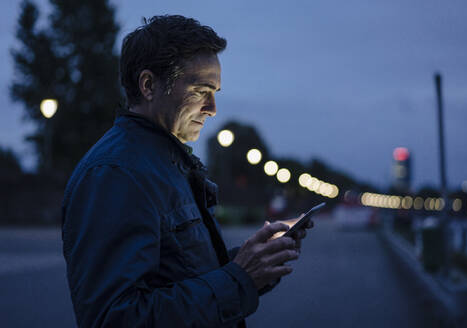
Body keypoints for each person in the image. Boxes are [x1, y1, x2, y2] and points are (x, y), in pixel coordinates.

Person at [61, 15, 313, 328]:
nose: (212, 108)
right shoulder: (115, 174)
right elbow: (115, 318)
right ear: (149, 85)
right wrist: (238, 278)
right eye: (200, 90)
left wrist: (254, 263)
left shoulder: (163, 163)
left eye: (215, 92)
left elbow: (183, 274)